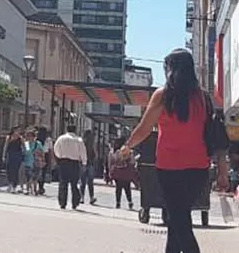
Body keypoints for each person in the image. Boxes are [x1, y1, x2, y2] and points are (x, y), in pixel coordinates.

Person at [118, 48, 220, 253]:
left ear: (170, 69)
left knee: (179, 219)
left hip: (169, 168)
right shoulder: (203, 98)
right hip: (198, 168)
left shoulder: (163, 96)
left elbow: (145, 128)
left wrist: (127, 146)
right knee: (178, 217)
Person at [52, 124, 88, 210]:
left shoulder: (61, 138)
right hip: (74, 163)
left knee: (63, 182)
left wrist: (59, 157)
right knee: (74, 183)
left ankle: (62, 202)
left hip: (63, 162)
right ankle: (75, 202)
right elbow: (83, 152)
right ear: (75, 130)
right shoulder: (78, 140)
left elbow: (56, 149)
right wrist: (84, 163)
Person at [109, 137, 138, 209]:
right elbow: (133, 162)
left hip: (117, 172)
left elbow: (111, 162)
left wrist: (110, 171)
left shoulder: (113, 152)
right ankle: (130, 202)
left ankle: (118, 203)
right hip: (126, 172)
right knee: (127, 187)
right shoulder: (128, 151)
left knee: (118, 188)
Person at [80, 130, 98, 205]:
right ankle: (91, 197)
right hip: (90, 164)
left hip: (82, 164)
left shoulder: (82, 143)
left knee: (82, 181)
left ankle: (82, 197)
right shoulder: (92, 144)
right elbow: (95, 155)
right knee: (90, 182)